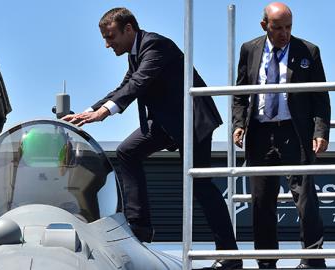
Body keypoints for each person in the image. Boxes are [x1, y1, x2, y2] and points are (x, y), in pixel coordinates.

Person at [62, 7, 242, 270]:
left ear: (128, 29)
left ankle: (229, 255)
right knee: (127, 152)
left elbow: (138, 84)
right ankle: (140, 226)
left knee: (202, 187)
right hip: (166, 123)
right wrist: (89, 111)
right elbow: (124, 85)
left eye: (110, 36)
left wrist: (104, 113)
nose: (107, 44)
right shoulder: (136, 53)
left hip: (192, 121)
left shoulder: (155, 45)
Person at [232, 2, 330, 269]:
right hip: (260, 134)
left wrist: (321, 131)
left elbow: (321, 97)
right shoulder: (249, 49)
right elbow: (240, 93)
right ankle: (266, 263)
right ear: (265, 26)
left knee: (306, 198)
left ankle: (312, 260)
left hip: (295, 133)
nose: (284, 33)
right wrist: (238, 123)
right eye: (278, 28)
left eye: (288, 27)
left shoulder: (308, 51)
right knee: (262, 203)